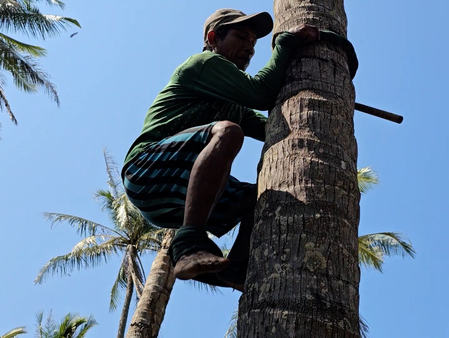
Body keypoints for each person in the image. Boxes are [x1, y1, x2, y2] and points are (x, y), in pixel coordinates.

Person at [121, 8, 319, 292]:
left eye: (253, 41)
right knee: (227, 131)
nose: (250, 47)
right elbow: (261, 94)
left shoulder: (235, 106)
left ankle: (235, 270)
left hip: (174, 196)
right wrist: (285, 45)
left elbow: (275, 130)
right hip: (147, 170)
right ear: (213, 38)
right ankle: (189, 244)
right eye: (241, 36)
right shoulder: (204, 63)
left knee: (260, 198)